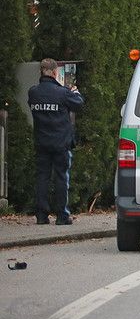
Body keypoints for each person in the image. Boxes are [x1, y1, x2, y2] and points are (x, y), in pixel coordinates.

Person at [28, 58, 84, 225]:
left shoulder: (33, 92)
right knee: (61, 178)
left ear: (41, 71)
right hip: (61, 143)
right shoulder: (62, 93)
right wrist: (75, 92)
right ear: (54, 72)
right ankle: (62, 216)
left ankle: (41, 215)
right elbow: (78, 104)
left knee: (42, 178)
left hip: (42, 142)